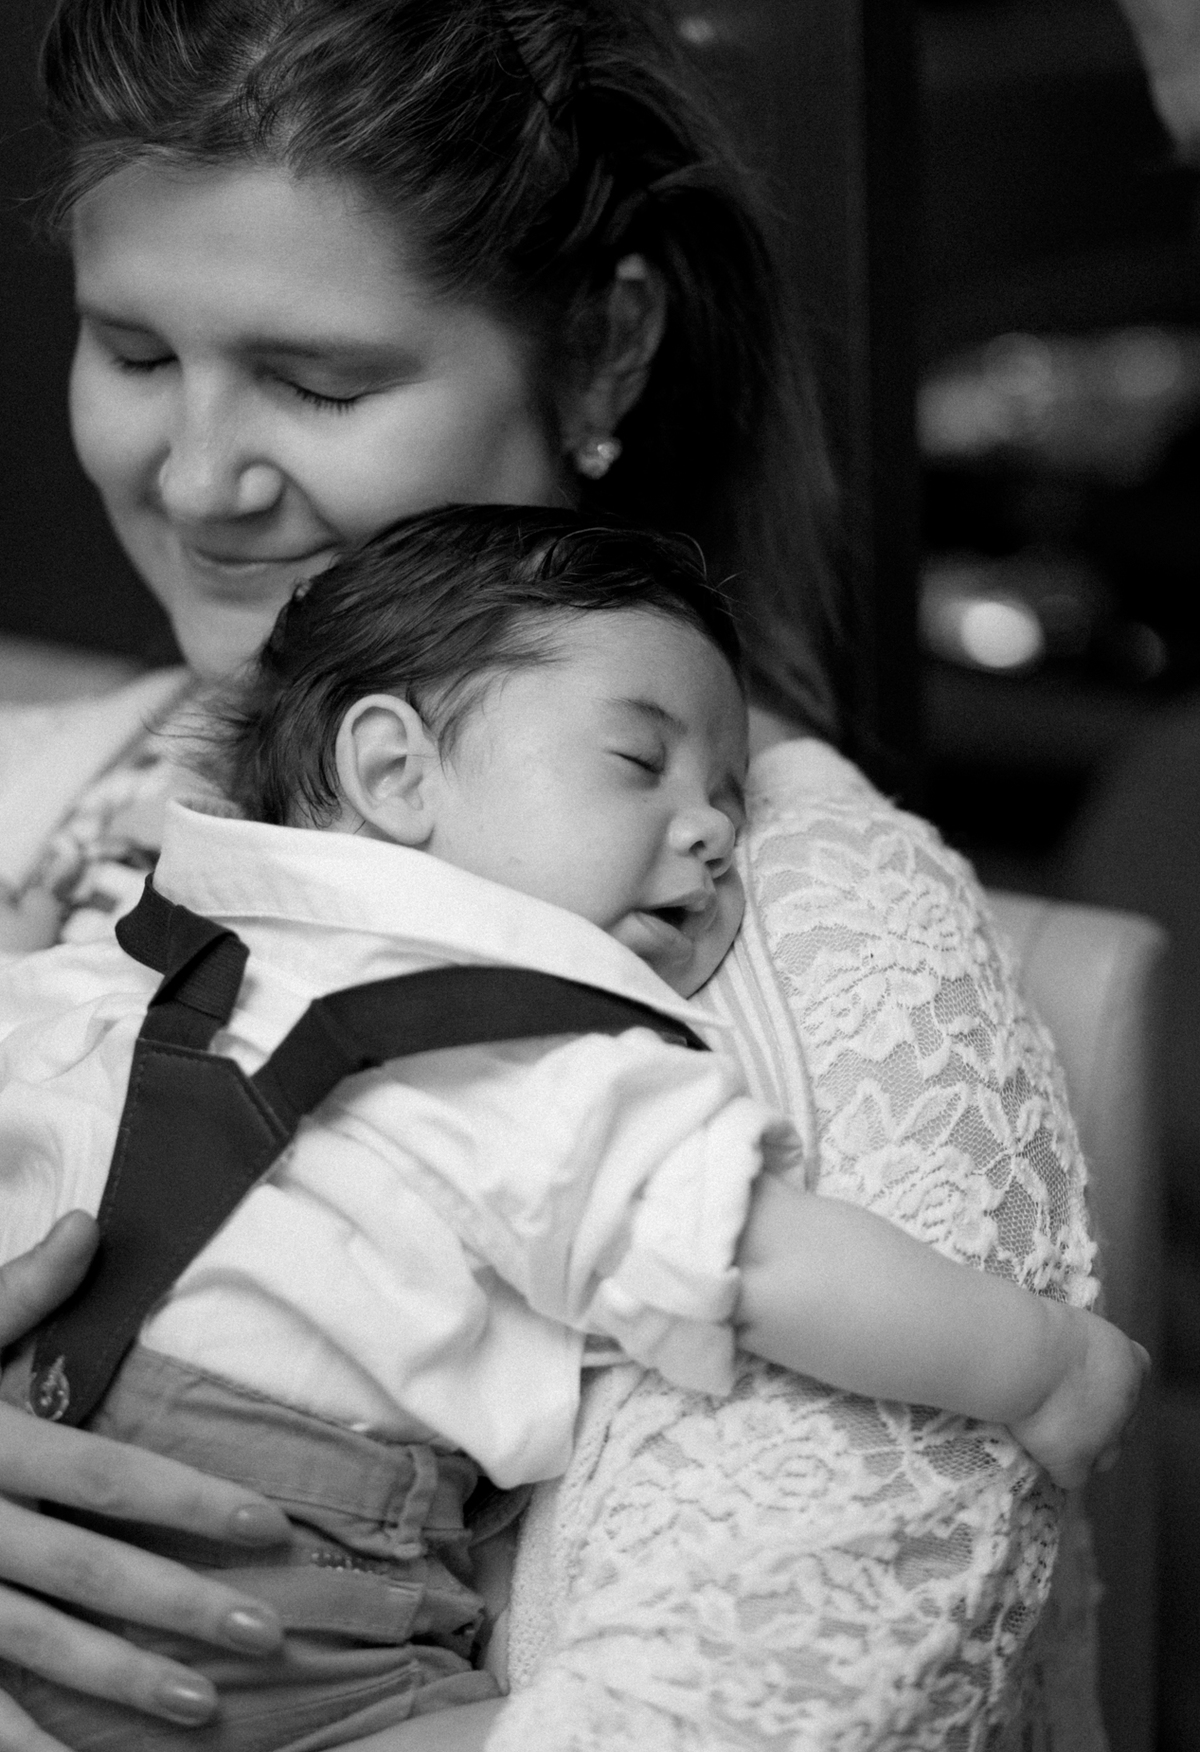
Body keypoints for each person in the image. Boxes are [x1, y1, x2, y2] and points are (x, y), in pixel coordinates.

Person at [0, 0, 1108, 1747]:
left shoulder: (812, 967)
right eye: (132, 351)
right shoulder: (56, 797)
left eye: (318, 382)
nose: (197, 477)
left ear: (602, 349)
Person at [1, 505, 1144, 1748]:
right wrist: (1044, 1362)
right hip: (287, 1602)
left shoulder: (124, 964)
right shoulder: (510, 1046)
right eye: (637, 764)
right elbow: (758, 1261)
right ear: (394, 773)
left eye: (729, 804)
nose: (713, 832)